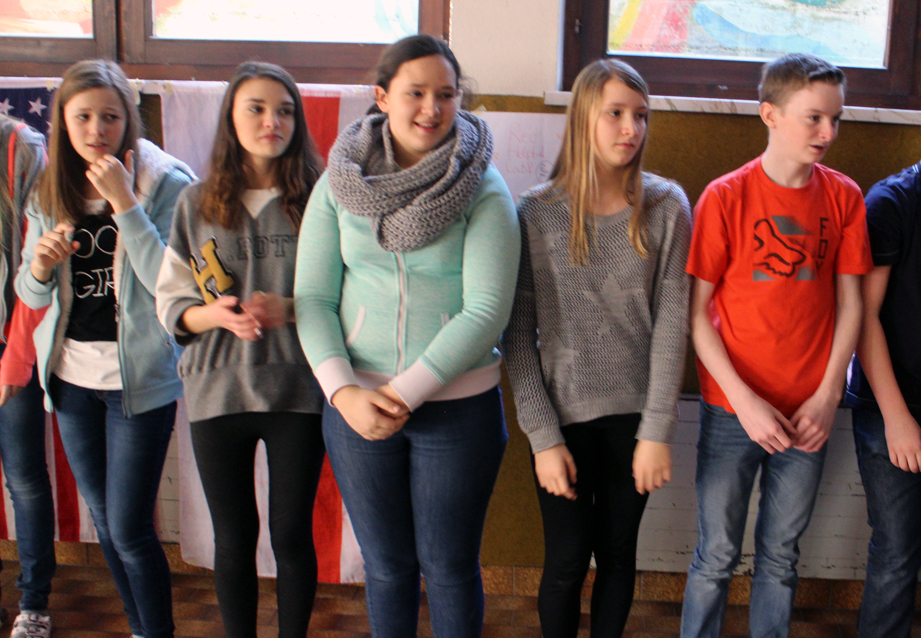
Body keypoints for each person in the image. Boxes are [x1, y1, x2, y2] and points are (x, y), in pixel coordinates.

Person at [294, 34, 519, 638]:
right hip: (355, 407)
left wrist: (403, 393)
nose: (432, 108)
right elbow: (312, 299)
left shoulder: (484, 186)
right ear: (382, 97)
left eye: (446, 93)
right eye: (415, 92)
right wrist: (345, 393)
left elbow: (487, 310)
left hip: (457, 411)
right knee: (387, 567)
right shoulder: (338, 184)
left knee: (448, 569)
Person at [679, 53, 872, 638]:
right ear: (770, 114)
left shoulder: (844, 197)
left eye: (836, 119)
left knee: (781, 558)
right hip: (731, 408)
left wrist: (827, 396)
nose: (828, 132)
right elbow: (697, 316)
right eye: (814, 118)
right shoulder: (725, 197)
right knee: (716, 555)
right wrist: (744, 402)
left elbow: (853, 305)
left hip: (808, 411)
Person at [504, 59, 690, 638]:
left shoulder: (666, 206)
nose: (631, 128)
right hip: (562, 421)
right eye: (615, 113)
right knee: (565, 562)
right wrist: (543, 438)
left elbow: (673, 324)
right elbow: (518, 337)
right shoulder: (536, 212)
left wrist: (657, 430)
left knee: (616, 555)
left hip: (634, 420)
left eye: (641, 115)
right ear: (584, 117)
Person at [14, 60, 194, 638]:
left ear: (129, 120)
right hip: (70, 382)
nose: (97, 130)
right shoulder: (50, 188)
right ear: (63, 122)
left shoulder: (167, 183)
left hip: (138, 382)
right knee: (106, 521)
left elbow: (171, 284)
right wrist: (40, 269)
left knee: (131, 528)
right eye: (83, 117)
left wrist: (125, 204)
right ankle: (140, 627)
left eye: (111, 117)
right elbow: (29, 293)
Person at [155, 61, 326, 638]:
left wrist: (290, 308)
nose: (272, 120)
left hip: (298, 391)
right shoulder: (195, 202)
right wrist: (214, 316)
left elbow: (350, 291)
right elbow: (171, 300)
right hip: (216, 390)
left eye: (285, 110)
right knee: (233, 538)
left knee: (291, 535)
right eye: (256, 108)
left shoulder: (320, 199)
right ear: (231, 116)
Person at [844, 161, 921, 638]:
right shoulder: (892, 201)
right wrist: (898, 418)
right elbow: (863, 316)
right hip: (892, 405)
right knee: (896, 551)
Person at [0, 115, 56, 638]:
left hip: (9, 339)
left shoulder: (19, 147)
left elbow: (34, 267)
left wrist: (15, 357)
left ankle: (33, 604)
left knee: (23, 478)